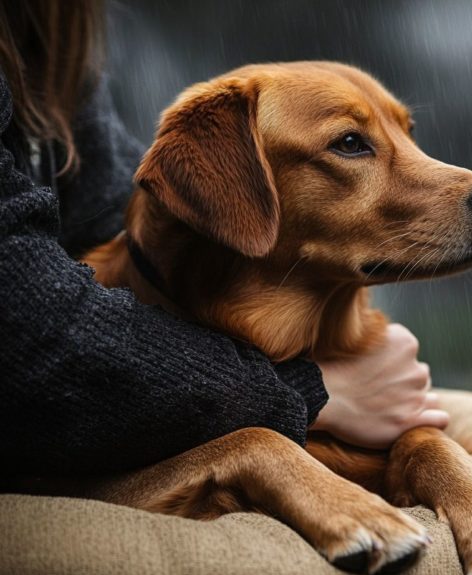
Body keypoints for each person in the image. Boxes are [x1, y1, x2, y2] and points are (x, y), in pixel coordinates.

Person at [0, 0, 448, 478]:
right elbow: (24, 331)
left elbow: (116, 208)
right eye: (350, 143)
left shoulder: (56, 35)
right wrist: (314, 391)